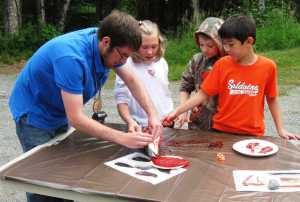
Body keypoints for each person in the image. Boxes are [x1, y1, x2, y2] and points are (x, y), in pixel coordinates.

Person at [9, 10, 162, 202]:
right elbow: (76, 118)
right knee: (43, 181)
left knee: (64, 172)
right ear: (106, 42)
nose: (123, 62)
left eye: (128, 57)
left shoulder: (110, 43)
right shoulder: (71, 58)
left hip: (58, 110)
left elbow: (132, 79)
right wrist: (123, 138)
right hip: (34, 112)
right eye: (122, 56)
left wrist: (152, 114)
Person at [164, 15, 299, 139]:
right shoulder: (222, 64)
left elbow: (272, 99)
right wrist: (177, 111)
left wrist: (280, 129)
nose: (226, 49)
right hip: (221, 132)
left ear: (249, 41)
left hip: (253, 133)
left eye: (231, 44)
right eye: (224, 44)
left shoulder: (268, 67)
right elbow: (202, 95)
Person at [114, 20, 173, 132]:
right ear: (134, 45)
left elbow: (164, 92)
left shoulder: (162, 62)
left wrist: (171, 114)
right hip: (142, 125)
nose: (150, 52)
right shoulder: (126, 65)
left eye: (154, 46)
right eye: (144, 47)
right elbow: (121, 101)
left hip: (166, 122)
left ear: (159, 43)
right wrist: (130, 121)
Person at [177, 17, 224, 130]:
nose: (204, 50)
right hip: (198, 122)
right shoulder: (197, 60)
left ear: (221, 43)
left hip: (222, 124)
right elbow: (185, 86)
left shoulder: (228, 62)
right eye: (201, 45)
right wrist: (184, 109)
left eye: (210, 46)